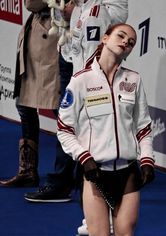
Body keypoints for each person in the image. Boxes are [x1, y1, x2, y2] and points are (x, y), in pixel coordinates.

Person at [24, 0, 129, 202]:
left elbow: (118, 15)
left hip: (96, 61)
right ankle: (63, 183)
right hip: (69, 53)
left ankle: (105, 184)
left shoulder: (97, 8)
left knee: (97, 123)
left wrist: (78, 12)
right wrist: (63, 13)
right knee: (68, 120)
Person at [57, 23, 155, 236]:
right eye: (121, 36)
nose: (125, 43)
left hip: (128, 172)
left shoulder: (134, 80)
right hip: (95, 173)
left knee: (125, 233)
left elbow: (143, 127)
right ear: (105, 38)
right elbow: (64, 128)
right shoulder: (80, 80)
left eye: (131, 43)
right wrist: (84, 157)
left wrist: (146, 159)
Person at [0, 0, 60, 187]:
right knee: (24, 104)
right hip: (38, 30)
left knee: (62, 110)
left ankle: (74, 171)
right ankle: (27, 169)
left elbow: (32, 2)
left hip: (52, 34)